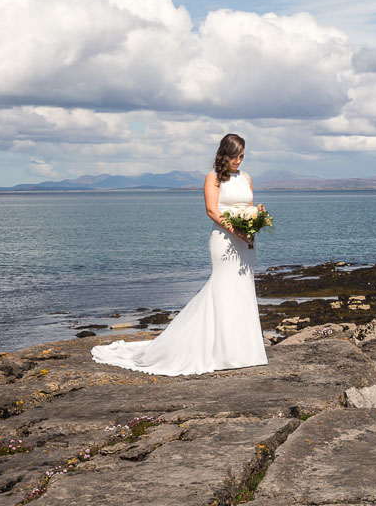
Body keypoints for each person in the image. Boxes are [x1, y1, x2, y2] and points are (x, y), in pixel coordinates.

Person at [90, 133, 268, 376]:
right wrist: (237, 231)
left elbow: (247, 206)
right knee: (223, 288)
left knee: (243, 289)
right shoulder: (213, 178)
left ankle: (245, 351)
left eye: (242, 155)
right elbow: (212, 211)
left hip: (246, 244)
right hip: (225, 240)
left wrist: (256, 216)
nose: (238, 160)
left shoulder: (246, 178)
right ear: (224, 155)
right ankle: (221, 352)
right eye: (234, 155)